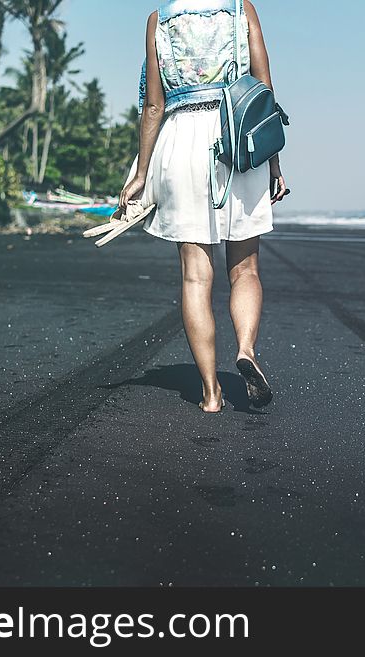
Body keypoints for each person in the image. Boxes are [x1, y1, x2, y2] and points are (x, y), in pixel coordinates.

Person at [120, 0, 288, 413]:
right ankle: (246, 349)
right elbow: (263, 86)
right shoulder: (240, 9)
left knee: (196, 278)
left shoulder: (158, 21)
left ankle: (211, 393)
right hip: (237, 138)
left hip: (181, 142)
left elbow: (154, 106)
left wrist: (142, 173)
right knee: (245, 268)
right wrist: (274, 161)